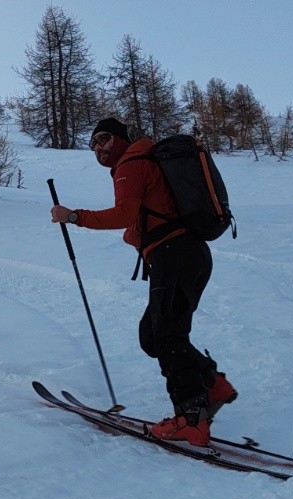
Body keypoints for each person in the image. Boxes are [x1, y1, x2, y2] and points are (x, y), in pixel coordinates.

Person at [48, 117, 238, 445]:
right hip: (186, 255)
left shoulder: (130, 163)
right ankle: (211, 383)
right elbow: (144, 216)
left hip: (175, 254)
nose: (98, 147)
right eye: (93, 144)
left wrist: (73, 216)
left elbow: (123, 214)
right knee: (152, 334)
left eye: (104, 138)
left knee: (166, 335)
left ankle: (191, 419)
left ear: (121, 138)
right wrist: (135, 235)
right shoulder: (142, 163)